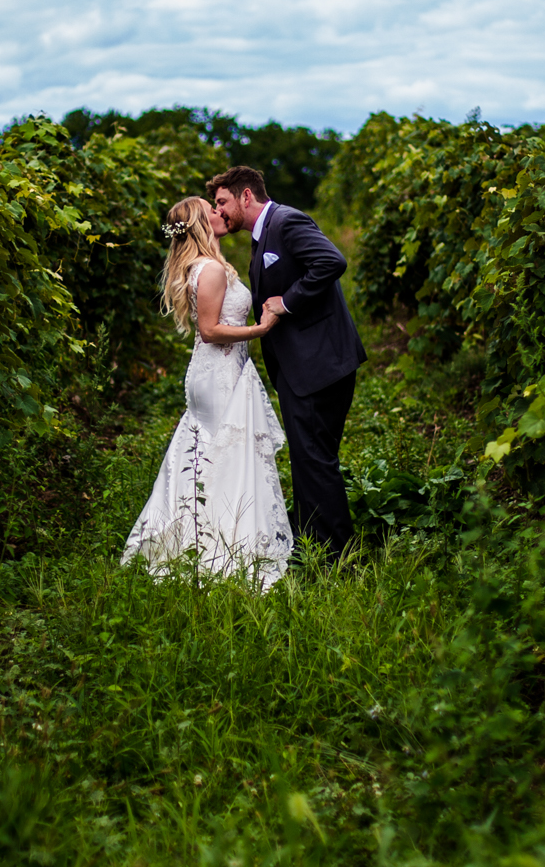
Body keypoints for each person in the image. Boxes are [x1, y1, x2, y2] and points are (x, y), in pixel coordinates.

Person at [120, 197, 293, 586]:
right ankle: (223, 544)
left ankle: (198, 537)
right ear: (200, 223)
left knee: (209, 454)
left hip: (213, 371)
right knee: (225, 455)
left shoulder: (200, 266)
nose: (219, 213)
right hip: (218, 372)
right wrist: (259, 330)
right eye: (210, 210)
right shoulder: (211, 269)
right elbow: (211, 331)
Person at [206, 164, 366, 558]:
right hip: (303, 368)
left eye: (222, 201)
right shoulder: (261, 238)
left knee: (315, 459)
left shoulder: (287, 221)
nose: (219, 210)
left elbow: (332, 262)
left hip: (320, 366)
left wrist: (287, 302)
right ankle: (313, 543)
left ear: (246, 196)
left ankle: (337, 557)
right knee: (308, 458)